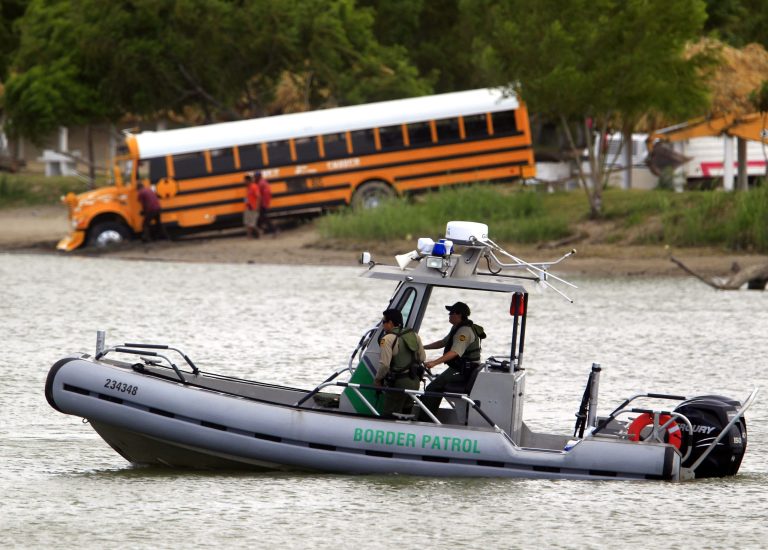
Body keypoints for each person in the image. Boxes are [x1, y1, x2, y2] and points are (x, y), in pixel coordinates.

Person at [420, 301, 486, 418]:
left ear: (459, 314)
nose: (449, 315)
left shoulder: (464, 331)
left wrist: (434, 363)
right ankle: (429, 415)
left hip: (464, 370)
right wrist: (423, 347)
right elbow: (443, 342)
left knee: (433, 387)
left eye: (451, 313)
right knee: (436, 383)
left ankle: (425, 419)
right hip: (460, 367)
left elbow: (454, 352)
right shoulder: (456, 327)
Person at [374, 308, 426, 418]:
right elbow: (422, 358)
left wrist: (378, 380)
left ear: (391, 323)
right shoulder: (414, 335)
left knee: (389, 415)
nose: (383, 325)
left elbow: (384, 365)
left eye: (384, 322)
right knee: (406, 413)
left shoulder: (387, 339)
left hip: (399, 384)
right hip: (415, 382)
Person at [255, 171, 276, 236]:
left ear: (258, 176)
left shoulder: (260, 184)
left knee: (263, 218)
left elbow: (259, 196)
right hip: (265, 203)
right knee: (261, 218)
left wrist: (258, 206)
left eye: (255, 176)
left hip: (262, 203)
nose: (254, 178)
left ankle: (273, 230)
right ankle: (262, 230)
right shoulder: (264, 182)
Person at [243, 173, 261, 238]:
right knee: (247, 223)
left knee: (252, 224)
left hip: (253, 208)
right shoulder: (248, 188)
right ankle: (249, 236)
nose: (244, 182)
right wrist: (246, 204)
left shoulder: (254, 187)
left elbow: (258, 197)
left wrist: (257, 207)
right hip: (248, 207)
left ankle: (258, 233)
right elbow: (247, 197)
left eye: (245, 180)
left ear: (248, 180)